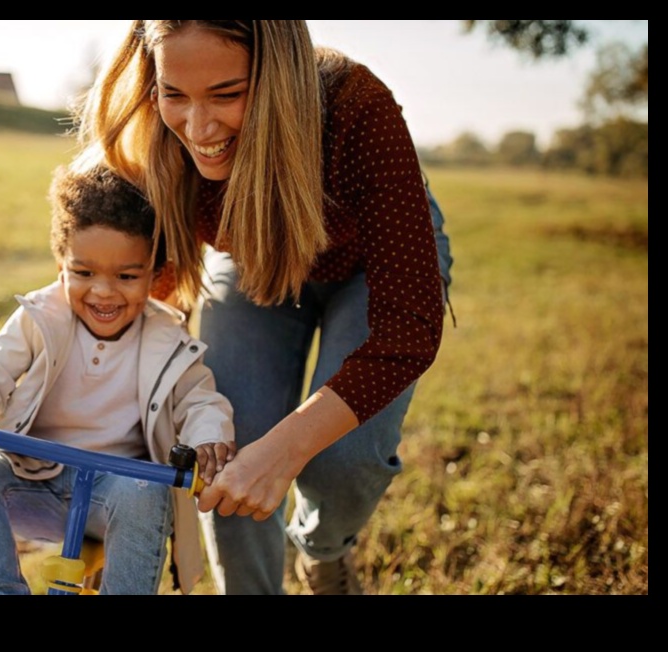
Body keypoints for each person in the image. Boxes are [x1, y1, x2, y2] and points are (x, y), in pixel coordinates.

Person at [72, 20, 454, 595]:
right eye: (175, 94)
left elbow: (409, 330)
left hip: (366, 266)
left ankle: (323, 552)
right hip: (253, 263)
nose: (197, 129)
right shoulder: (151, 141)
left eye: (228, 94)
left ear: (281, 76)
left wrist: (284, 450)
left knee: (340, 462)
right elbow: (134, 293)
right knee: (222, 448)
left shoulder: (356, 108)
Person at [0, 163, 236, 595]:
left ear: (154, 273)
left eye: (127, 276)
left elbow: (200, 402)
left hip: (116, 497)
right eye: (84, 273)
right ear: (61, 263)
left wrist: (210, 437)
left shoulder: (167, 340)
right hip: (31, 479)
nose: (104, 292)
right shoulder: (41, 318)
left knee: (146, 490)